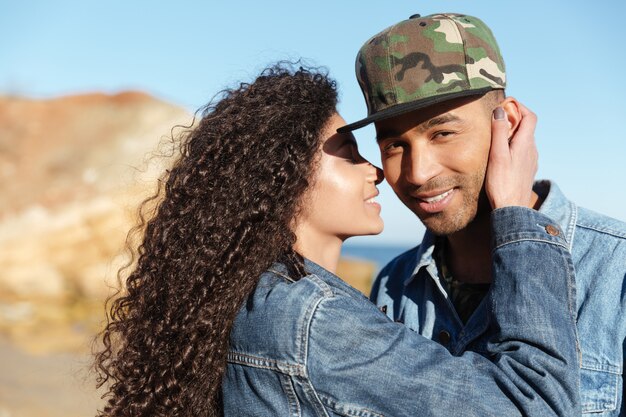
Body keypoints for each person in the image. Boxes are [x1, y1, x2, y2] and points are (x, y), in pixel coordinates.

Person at [94, 63, 581, 417]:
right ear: (283, 180)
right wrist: (516, 213)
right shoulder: (310, 315)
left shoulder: (261, 297)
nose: (377, 171)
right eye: (351, 153)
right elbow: (531, 406)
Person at [338, 12, 626, 416]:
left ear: (507, 123)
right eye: (395, 146)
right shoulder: (394, 286)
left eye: (443, 133)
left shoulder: (617, 271)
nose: (418, 173)